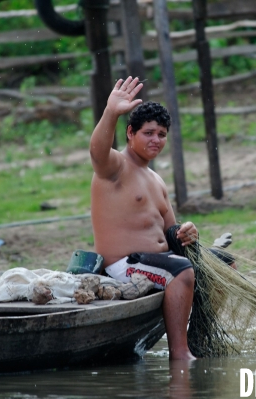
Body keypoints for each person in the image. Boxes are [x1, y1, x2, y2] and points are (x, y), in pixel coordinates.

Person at [89, 76, 200, 361]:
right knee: (183, 270)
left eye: (161, 134)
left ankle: (198, 336)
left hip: (159, 262)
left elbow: (170, 231)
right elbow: (97, 153)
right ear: (130, 133)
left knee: (225, 263)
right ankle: (180, 355)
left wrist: (186, 232)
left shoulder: (156, 179)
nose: (156, 140)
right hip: (124, 267)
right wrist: (111, 111)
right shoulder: (115, 166)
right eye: (148, 133)